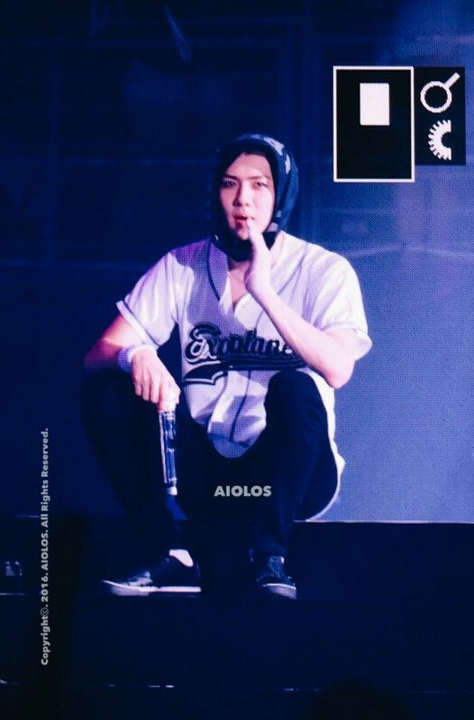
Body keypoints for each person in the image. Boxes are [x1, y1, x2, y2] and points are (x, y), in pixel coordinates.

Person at [81, 133, 372, 600]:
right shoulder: (183, 265)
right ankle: (169, 551)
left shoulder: (324, 270)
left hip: (293, 481)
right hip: (207, 477)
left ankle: (270, 555)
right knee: (108, 392)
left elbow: (339, 368)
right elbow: (98, 353)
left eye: (259, 185)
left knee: (297, 387)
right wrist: (134, 355)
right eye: (230, 184)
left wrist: (265, 291)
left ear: (281, 196)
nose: (243, 199)